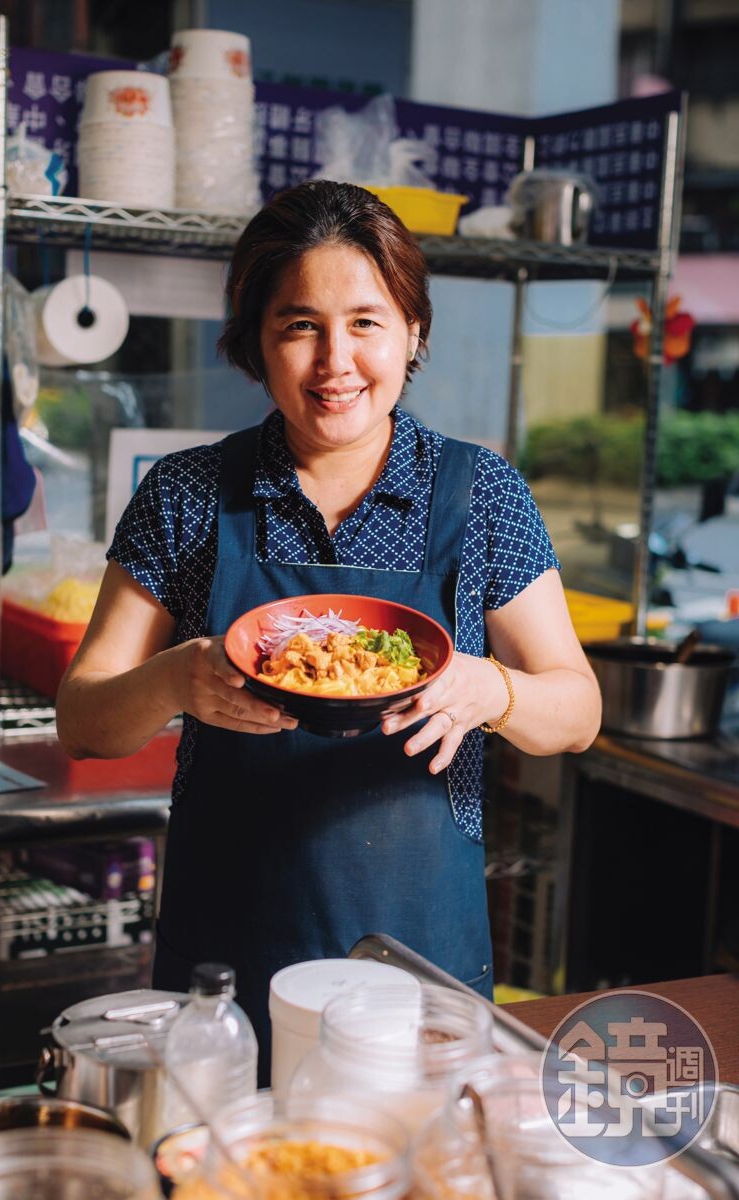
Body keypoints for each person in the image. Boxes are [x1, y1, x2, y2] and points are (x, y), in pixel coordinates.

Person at [56, 180, 601, 1072]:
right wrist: (173, 681)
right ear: (255, 345)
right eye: (300, 325)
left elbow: (576, 712)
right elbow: (83, 720)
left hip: (417, 957)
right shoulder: (188, 495)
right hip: (225, 969)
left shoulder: (483, 495)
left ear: (413, 331)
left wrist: (490, 688)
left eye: (367, 322)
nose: (335, 360)